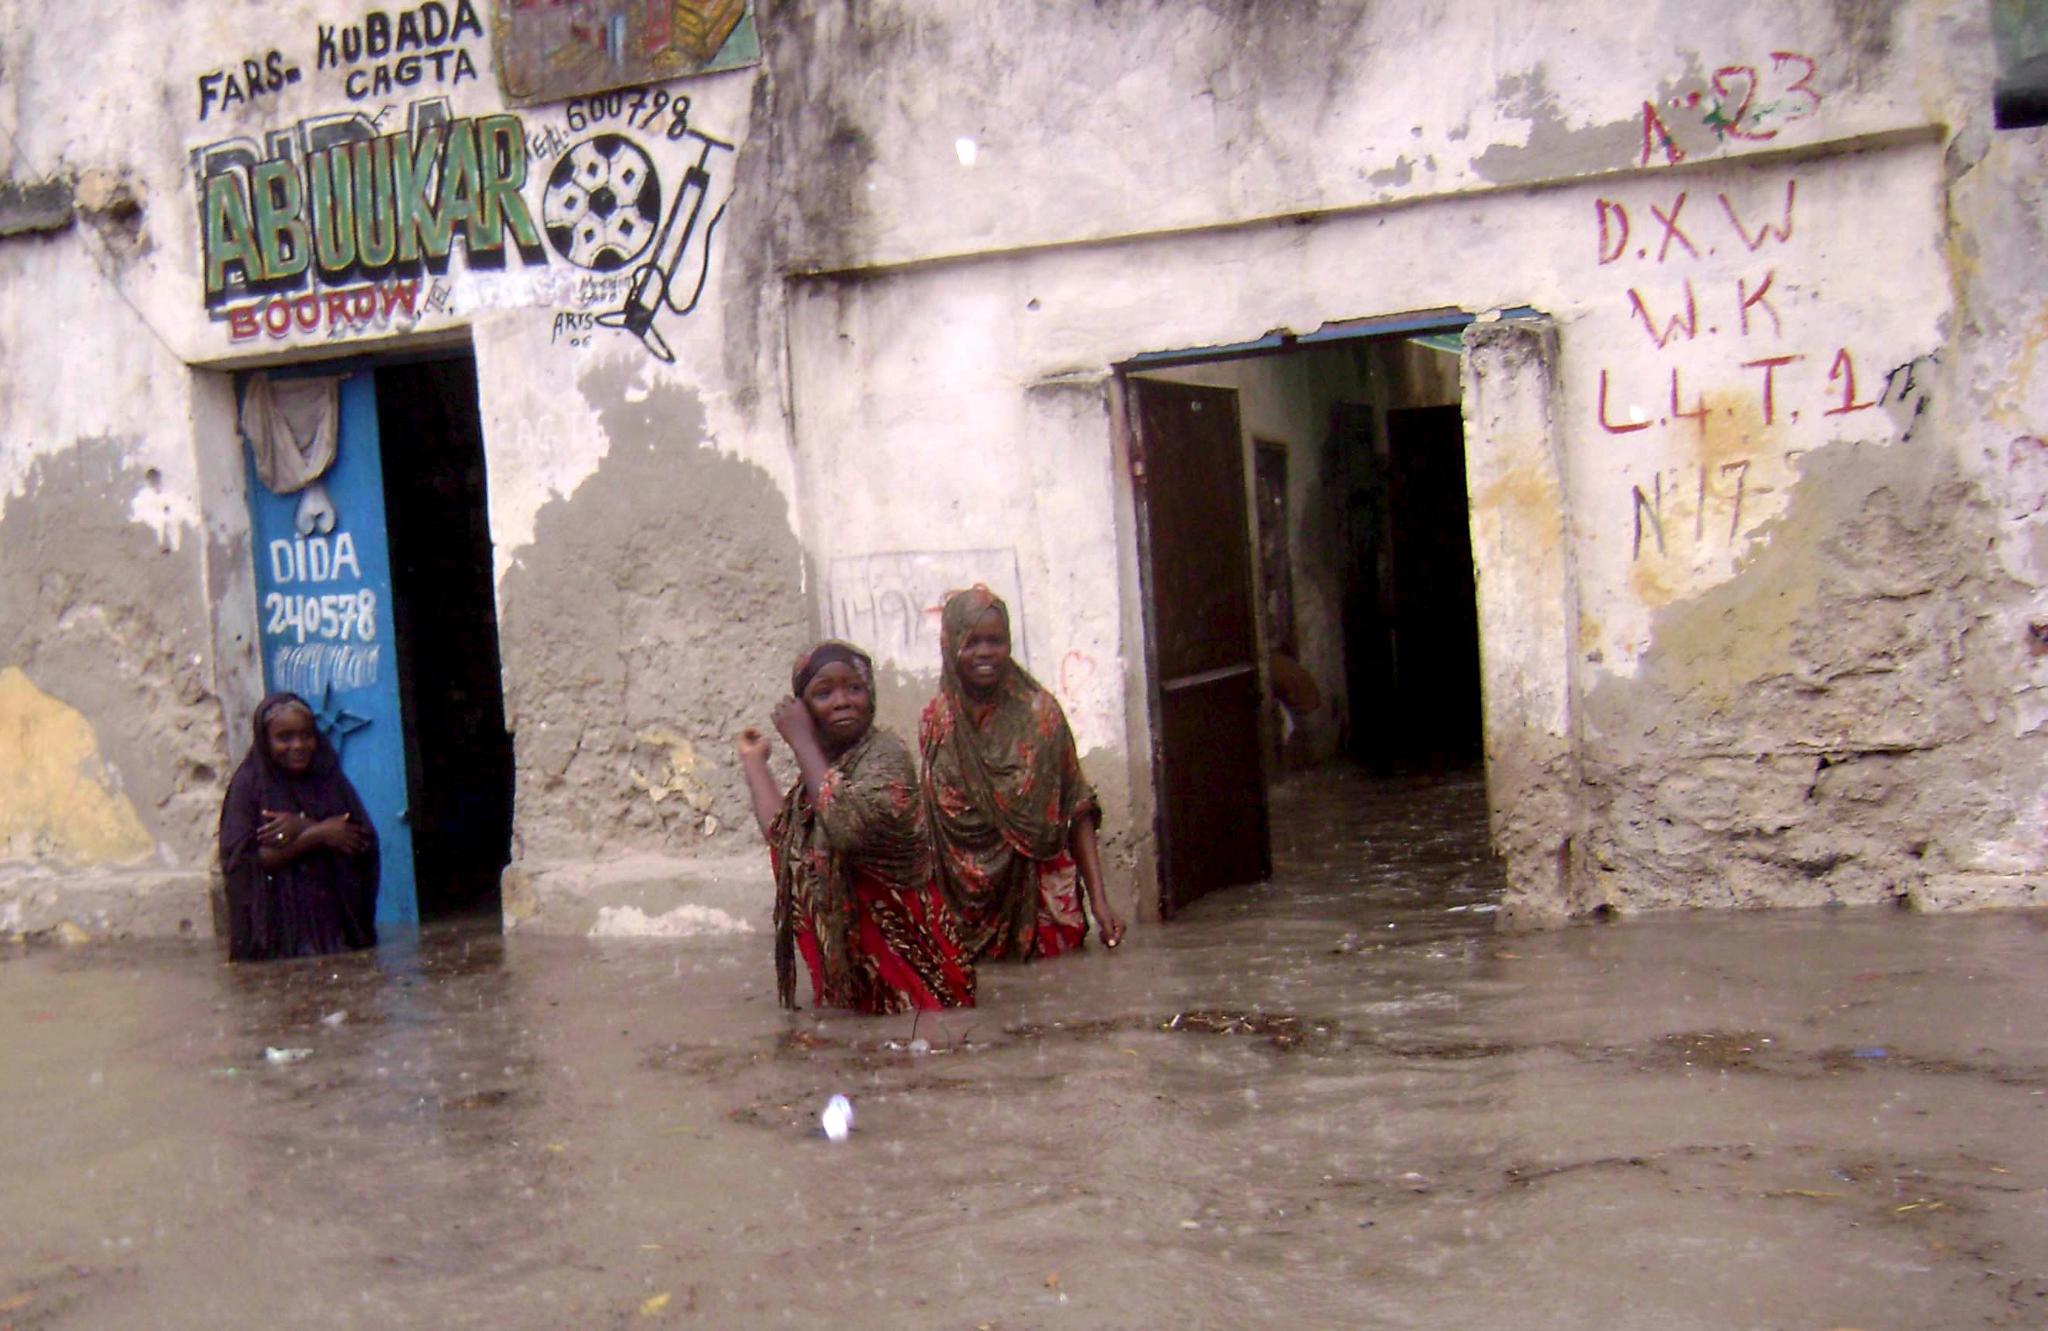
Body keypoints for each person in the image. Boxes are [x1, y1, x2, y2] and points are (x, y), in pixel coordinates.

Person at [737, 641, 975, 1014]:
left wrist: (801, 742)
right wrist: (755, 765)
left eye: (854, 688)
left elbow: (847, 827)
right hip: (862, 987)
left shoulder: (885, 757)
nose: (842, 700)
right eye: (823, 692)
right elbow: (784, 838)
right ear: (804, 708)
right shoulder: (821, 775)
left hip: (920, 982)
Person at [920, 587, 1125, 962]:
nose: (984, 652)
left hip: (1043, 908)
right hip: (965, 916)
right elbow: (935, 832)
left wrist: (1099, 901)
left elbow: (1076, 805)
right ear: (950, 647)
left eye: (995, 641)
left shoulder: (1041, 715)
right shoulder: (939, 725)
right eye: (971, 642)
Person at [217, 692, 379, 961]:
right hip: (275, 936)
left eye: (307, 735)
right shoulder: (249, 786)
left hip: (332, 930)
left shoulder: (328, 778)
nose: (299, 745)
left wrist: (302, 825)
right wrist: (318, 834)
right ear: (265, 740)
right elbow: (244, 863)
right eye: (285, 738)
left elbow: (358, 840)